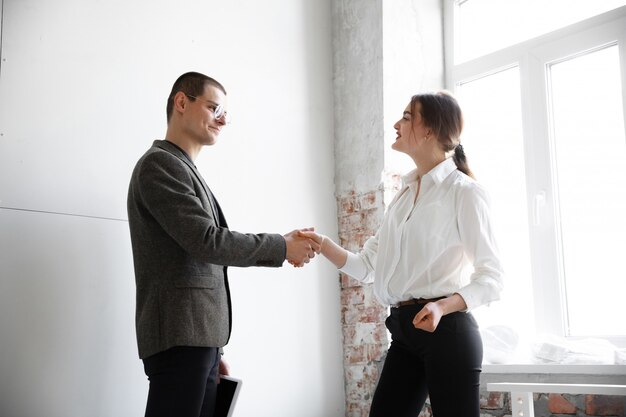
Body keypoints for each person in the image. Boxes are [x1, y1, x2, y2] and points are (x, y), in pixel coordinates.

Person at [127, 71, 320, 417]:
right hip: (180, 341)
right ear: (182, 102)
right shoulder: (160, 165)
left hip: (198, 342)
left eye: (225, 112)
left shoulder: (182, 168)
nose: (224, 119)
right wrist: (281, 246)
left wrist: (214, 350)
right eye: (215, 108)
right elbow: (207, 242)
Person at [301, 91, 504, 417]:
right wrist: (322, 244)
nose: (396, 124)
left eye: (407, 117)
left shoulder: (465, 193)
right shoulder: (403, 198)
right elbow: (367, 267)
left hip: (447, 331)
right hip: (405, 334)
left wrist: (441, 306)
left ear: (430, 130)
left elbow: (492, 279)